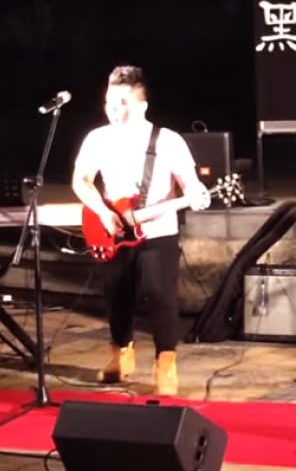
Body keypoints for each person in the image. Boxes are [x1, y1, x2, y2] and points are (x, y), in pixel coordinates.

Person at [72, 65, 211, 396]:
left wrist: (196, 194)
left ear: (142, 105)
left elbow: (190, 185)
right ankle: (120, 355)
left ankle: (166, 362)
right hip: (110, 228)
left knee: (160, 296)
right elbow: (82, 180)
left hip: (158, 231)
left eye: (123, 103)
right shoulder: (97, 138)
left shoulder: (168, 140)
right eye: (110, 102)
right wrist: (103, 213)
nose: (114, 110)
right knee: (117, 295)